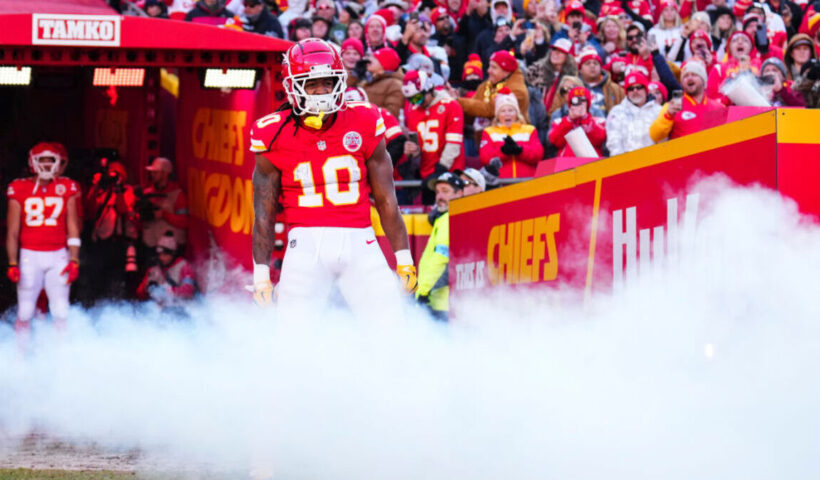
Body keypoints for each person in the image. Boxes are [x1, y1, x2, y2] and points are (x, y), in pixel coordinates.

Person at [248, 38, 417, 320]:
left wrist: (404, 260)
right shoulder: (271, 132)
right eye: (311, 84)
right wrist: (261, 274)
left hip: (360, 240)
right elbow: (263, 214)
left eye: (328, 82)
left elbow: (387, 199)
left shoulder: (363, 119)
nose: (321, 91)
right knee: (293, 337)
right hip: (304, 245)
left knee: (390, 328)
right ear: (292, 85)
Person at [6, 143, 81, 341]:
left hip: (58, 254)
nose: (46, 165)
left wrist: (75, 259)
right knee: (25, 311)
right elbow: (13, 231)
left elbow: (72, 226)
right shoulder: (19, 187)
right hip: (30, 255)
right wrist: (12, 262)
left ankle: (60, 357)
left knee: (60, 311)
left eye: (51, 161)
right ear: (33, 162)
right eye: (42, 160)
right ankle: (20, 358)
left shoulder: (67, 186)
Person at [402, 70, 465, 205]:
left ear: (429, 89)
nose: (416, 103)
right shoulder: (413, 111)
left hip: (450, 172)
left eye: (418, 98)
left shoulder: (450, 105)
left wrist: (440, 169)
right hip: (426, 174)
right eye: (411, 100)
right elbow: (418, 146)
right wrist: (412, 150)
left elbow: (454, 144)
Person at [83, 159, 139, 303]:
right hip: (101, 242)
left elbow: (122, 210)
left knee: (117, 280)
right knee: (97, 277)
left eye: (117, 174)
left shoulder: (129, 191)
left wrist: (119, 188)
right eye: (111, 173)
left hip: (119, 243)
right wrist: (96, 186)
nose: (113, 176)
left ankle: (116, 306)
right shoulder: (103, 191)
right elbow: (89, 210)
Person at [415, 172, 464, 321]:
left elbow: (441, 259)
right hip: (441, 301)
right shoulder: (444, 219)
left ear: (460, 193)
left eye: (445, 191)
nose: (439, 197)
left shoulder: (448, 219)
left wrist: (423, 291)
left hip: (440, 303)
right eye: (437, 192)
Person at [650, 59, 727, 142]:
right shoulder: (672, 106)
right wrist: (668, 115)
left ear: (703, 80)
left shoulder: (719, 107)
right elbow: (655, 136)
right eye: (685, 76)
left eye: (694, 74)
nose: (689, 78)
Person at [479, 88, 544, 178]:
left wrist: (520, 150)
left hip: (526, 180)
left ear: (517, 113)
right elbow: (485, 158)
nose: (507, 114)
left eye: (511, 110)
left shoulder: (530, 130)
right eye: (503, 111)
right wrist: (503, 151)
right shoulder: (489, 132)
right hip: (500, 182)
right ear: (498, 115)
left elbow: (538, 154)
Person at [456, 49, 530, 125]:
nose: (488, 71)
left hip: (512, 135)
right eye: (489, 66)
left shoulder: (517, 90)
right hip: (484, 135)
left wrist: (458, 101)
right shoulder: (486, 85)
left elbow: (490, 110)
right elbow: (472, 110)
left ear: (506, 72)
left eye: (494, 68)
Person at [140, 157, 188, 262]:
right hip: (151, 248)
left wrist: (163, 214)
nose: (152, 175)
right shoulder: (147, 193)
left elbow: (184, 222)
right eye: (151, 172)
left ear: (165, 173)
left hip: (170, 251)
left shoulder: (178, 194)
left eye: (155, 172)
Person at [136, 231, 197, 313]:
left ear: (173, 254)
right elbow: (139, 294)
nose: (161, 258)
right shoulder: (153, 270)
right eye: (159, 254)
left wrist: (165, 291)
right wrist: (147, 288)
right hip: (159, 312)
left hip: (181, 310)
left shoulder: (184, 267)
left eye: (165, 254)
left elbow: (188, 290)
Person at [605, 71, 662, 156]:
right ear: (627, 93)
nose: (635, 91)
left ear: (646, 90)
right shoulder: (617, 112)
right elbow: (613, 141)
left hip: (654, 160)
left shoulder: (659, 111)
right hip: (626, 162)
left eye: (639, 87)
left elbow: (664, 140)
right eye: (630, 89)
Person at [548, 86, 607, 157]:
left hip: (591, 162)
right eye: (576, 100)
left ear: (588, 103)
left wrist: (585, 119)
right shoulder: (559, 121)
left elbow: (599, 140)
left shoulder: (598, 121)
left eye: (583, 100)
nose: (580, 103)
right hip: (566, 163)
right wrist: (569, 120)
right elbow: (555, 141)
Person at [576, 46, 625, 115]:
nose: (592, 66)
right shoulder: (572, 87)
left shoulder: (616, 90)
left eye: (595, 63)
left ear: (600, 68)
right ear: (580, 70)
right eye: (588, 63)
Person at [359, 47, 404, 118]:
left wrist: (364, 112)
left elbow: (392, 113)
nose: (369, 60)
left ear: (385, 64)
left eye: (375, 58)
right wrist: (354, 75)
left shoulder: (395, 84)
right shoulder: (366, 81)